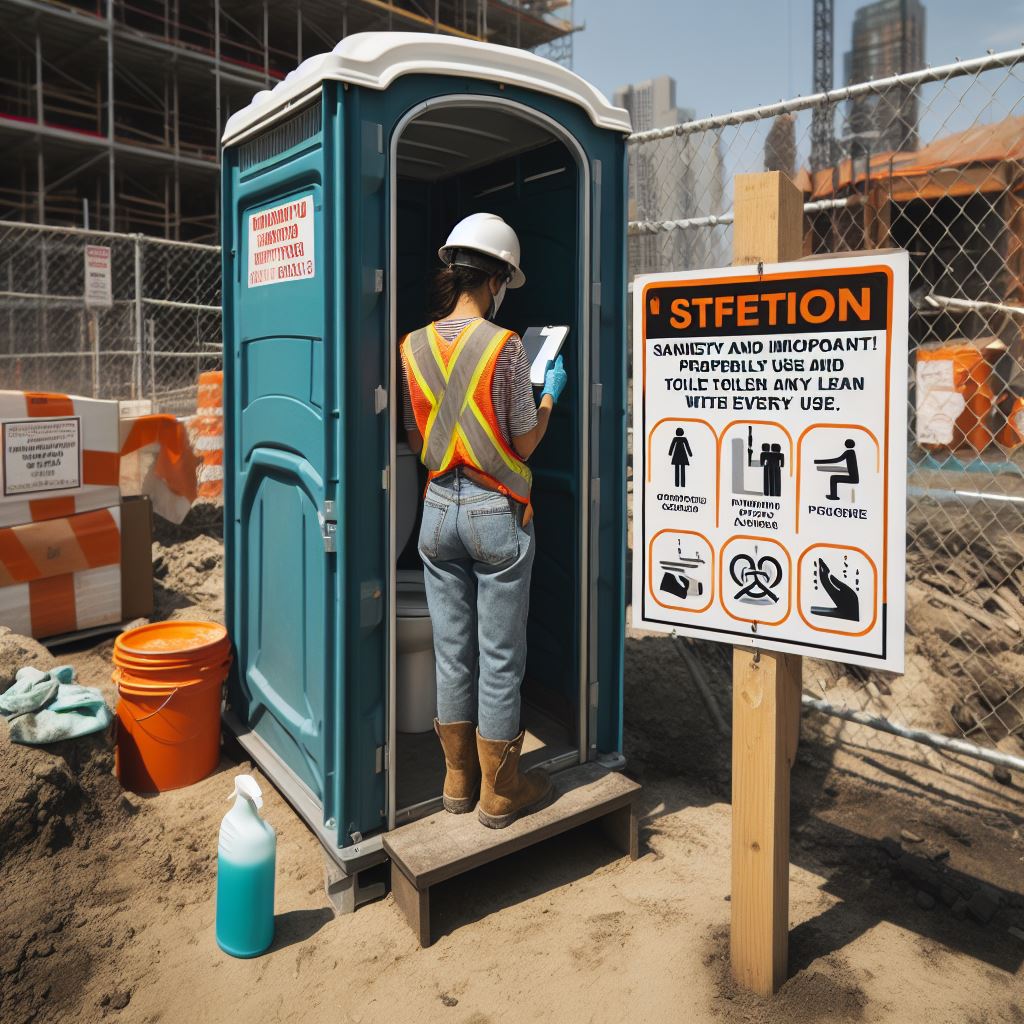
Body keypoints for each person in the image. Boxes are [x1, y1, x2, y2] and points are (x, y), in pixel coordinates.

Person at [399, 212, 567, 830]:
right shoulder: (507, 346)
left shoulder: (413, 347)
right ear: (497, 280)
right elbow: (523, 442)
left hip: (438, 512)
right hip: (498, 515)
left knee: (452, 653)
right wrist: (548, 393)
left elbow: (418, 436)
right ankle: (500, 793)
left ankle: (456, 782)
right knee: (499, 657)